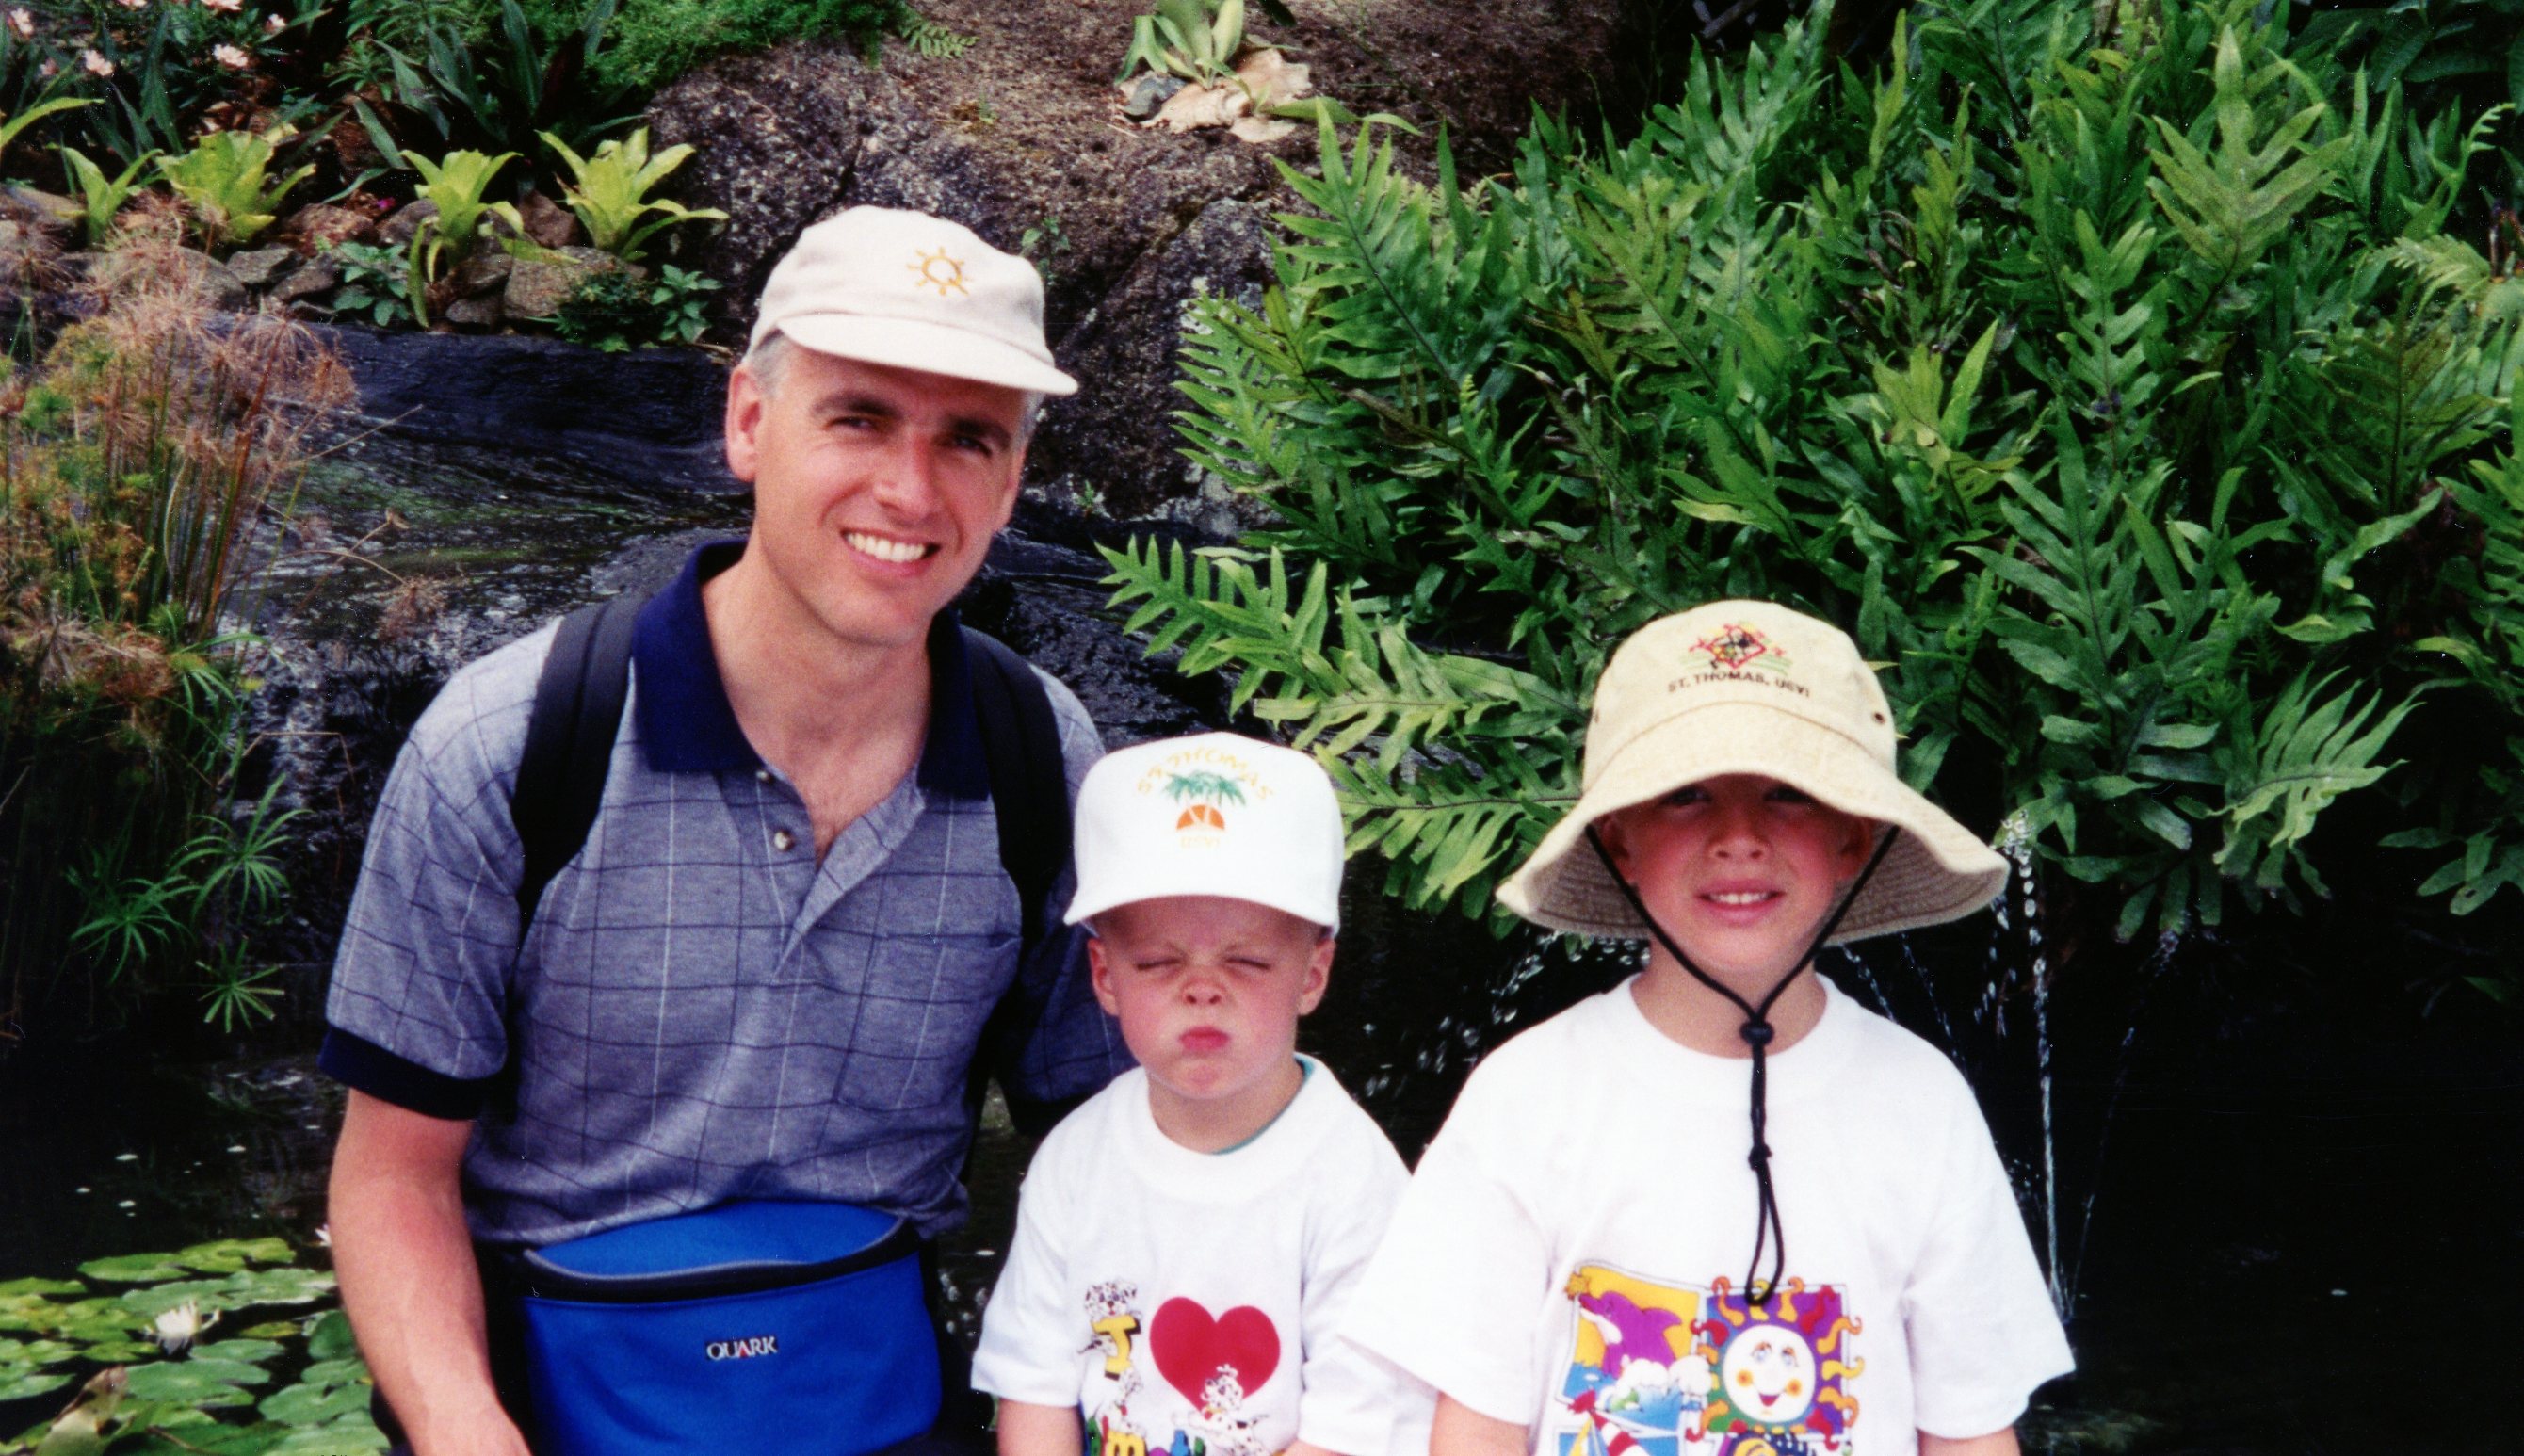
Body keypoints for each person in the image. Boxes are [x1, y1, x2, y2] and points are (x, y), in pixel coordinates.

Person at [317, 206, 1131, 1455]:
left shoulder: (1043, 759)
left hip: (880, 1399)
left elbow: (1119, 1151)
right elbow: (392, 1175)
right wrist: (465, 1428)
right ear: (749, 420)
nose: (909, 491)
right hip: (550, 1396)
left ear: (1014, 479)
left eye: (967, 438)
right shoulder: (513, 744)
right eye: (858, 418)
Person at [1340, 600, 2077, 1456]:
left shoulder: (1922, 1102)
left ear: (1854, 838)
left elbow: (1969, 1427)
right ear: (1618, 840)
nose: (1739, 838)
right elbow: (1475, 1425)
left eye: (1787, 793)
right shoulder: (1526, 1096)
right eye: (1686, 795)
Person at [971, 732, 1434, 1456]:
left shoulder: (1355, 1182)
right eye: (1158, 962)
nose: (1202, 989)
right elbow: (1033, 1388)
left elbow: (1360, 1428)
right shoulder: (1074, 1161)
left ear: (1313, 974)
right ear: (1104, 976)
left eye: (1246, 960)